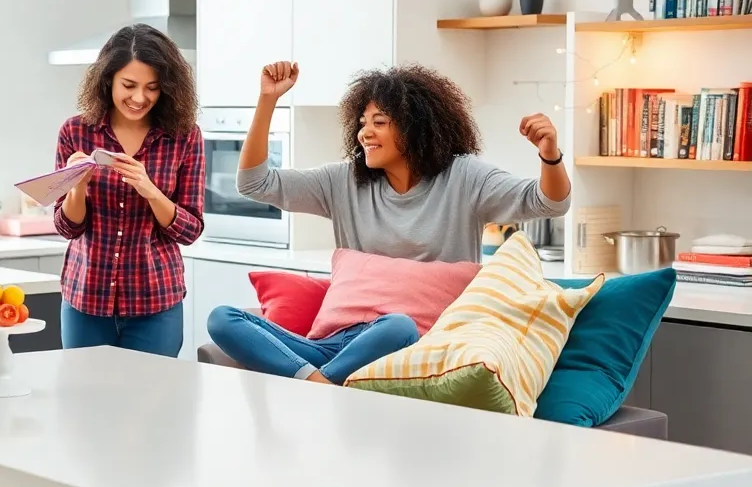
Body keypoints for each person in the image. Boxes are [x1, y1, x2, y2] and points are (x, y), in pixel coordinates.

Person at [208, 60, 572, 384]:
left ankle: (314, 384)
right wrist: (268, 100)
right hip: (335, 347)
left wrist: (550, 155)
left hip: (410, 346)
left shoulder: (464, 178)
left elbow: (549, 202)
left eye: (379, 122)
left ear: (416, 130)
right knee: (222, 318)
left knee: (398, 324)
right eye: (362, 122)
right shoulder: (343, 181)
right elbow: (255, 183)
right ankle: (321, 383)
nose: (364, 132)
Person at [53, 23, 205, 357]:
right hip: (85, 299)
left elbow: (191, 229)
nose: (140, 98)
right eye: (129, 85)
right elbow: (67, 227)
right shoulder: (76, 131)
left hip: (155, 303)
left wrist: (150, 190)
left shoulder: (184, 136)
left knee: (150, 405)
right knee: (85, 403)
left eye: (152, 87)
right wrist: (77, 187)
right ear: (107, 80)